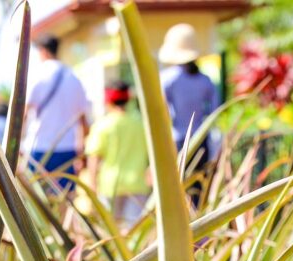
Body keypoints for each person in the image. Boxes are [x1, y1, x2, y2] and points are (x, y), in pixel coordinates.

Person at [160, 23, 219, 206]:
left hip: (178, 141)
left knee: (178, 189)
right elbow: (214, 112)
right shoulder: (205, 80)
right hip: (202, 140)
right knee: (199, 190)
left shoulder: (169, 79)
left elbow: (162, 113)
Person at [25, 34, 91, 193]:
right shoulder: (74, 78)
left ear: (43, 51)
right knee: (65, 200)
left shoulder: (37, 75)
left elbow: (24, 113)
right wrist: (82, 154)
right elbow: (83, 122)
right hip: (67, 150)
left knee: (38, 200)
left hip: (38, 147)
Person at [85, 81, 150, 226]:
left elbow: (94, 158)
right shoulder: (139, 124)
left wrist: (92, 185)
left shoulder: (102, 126)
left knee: (110, 231)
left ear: (107, 101)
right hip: (137, 184)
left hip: (109, 185)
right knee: (133, 232)